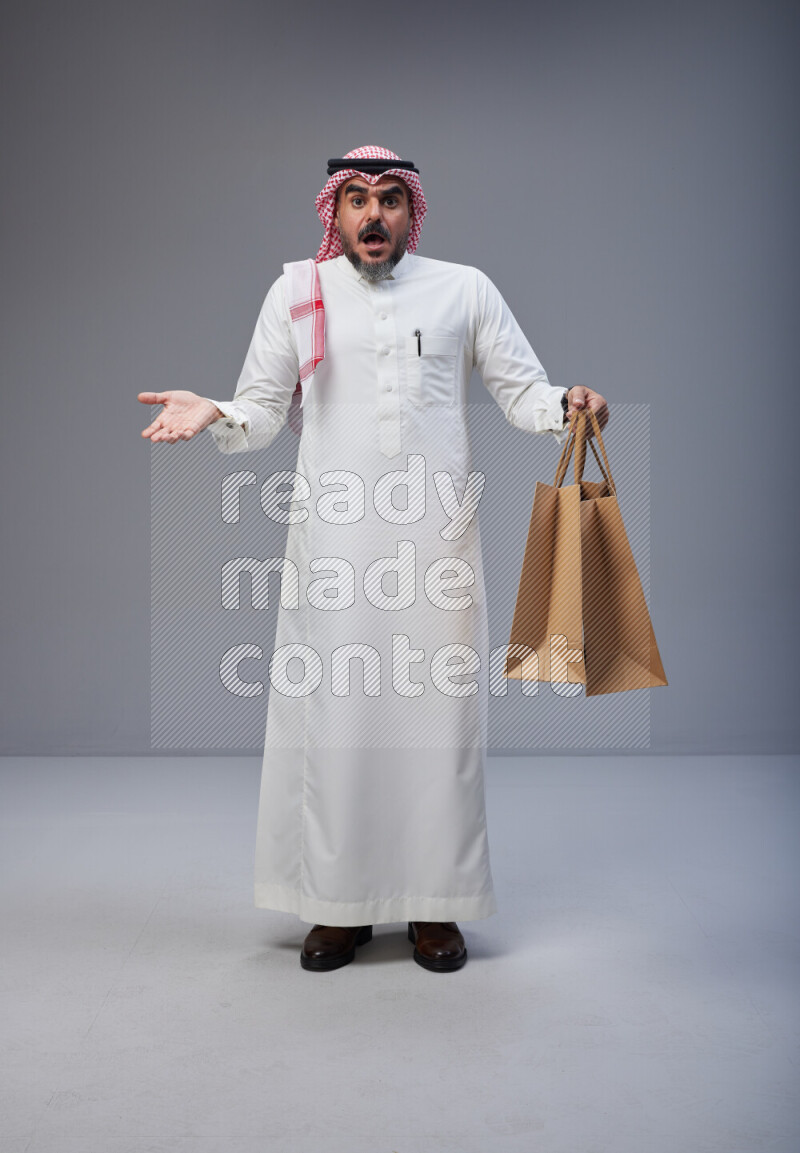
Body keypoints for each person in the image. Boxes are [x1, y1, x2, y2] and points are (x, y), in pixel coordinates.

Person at [138, 145, 609, 974]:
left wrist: (567, 405)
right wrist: (210, 408)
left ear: (412, 210)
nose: (373, 215)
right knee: (340, 726)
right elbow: (256, 409)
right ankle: (338, 906)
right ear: (334, 210)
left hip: (437, 548)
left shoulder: (464, 289)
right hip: (335, 550)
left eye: (390, 199)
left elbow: (522, 389)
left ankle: (436, 907)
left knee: (438, 729)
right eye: (356, 199)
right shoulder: (299, 291)